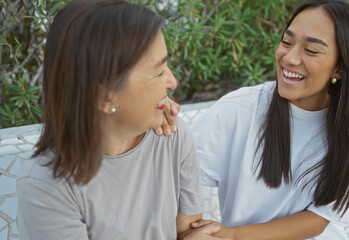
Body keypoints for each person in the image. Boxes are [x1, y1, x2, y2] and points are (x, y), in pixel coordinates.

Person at [16, 0, 230, 239]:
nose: (172, 82)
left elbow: (188, 233)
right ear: (105, 97)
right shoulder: (46, 185)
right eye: (158, 72)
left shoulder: (172, 136)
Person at [169, 0, 349, 239]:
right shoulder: (240, 110)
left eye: (311, 50)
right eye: (286, 42)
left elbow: (320, 217)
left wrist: (233, 236)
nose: (290, 58)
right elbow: (176, 174)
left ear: (340, 68)